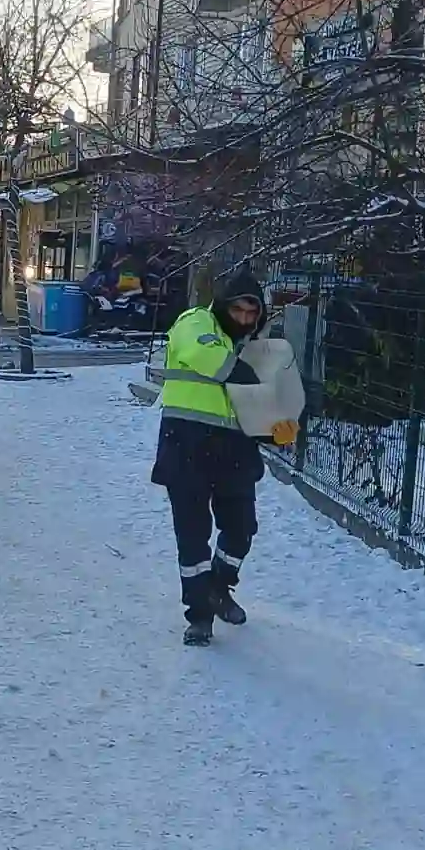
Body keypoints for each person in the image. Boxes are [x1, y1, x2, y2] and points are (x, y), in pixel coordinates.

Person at [153, 269, 279, 646]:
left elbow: (266, 395)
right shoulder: (196, 323)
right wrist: (252, 377)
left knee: (241, 528)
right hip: (187, 444)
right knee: (193, 536)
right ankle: (200, 616)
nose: (243, 319)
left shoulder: (255, 343)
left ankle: (218, 588)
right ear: (223, 305)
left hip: (234, 449)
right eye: (237, 310)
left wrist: (278, 424)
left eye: (250, 314)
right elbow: (210, 359)